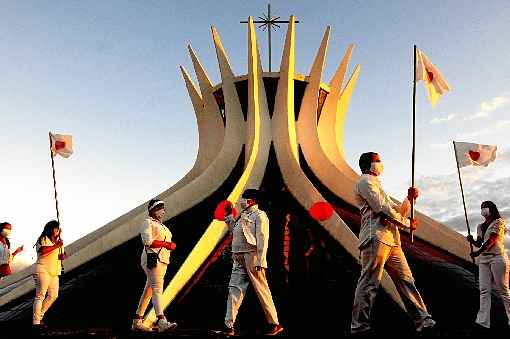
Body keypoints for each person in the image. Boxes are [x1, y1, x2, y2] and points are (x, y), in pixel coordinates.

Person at [350, 152, 436, 335]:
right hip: (376, 237)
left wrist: (409, 200)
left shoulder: (376, 184)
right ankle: (359, 326)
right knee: (369, 283)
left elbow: (396, 211)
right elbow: (382, 209)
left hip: (391, 239)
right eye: (378, 160)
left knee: (406, 279)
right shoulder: (365, 181)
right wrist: (407, 225)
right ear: (369, 164)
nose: (381, 163)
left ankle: (423, 320)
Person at [221, 189, 284, 336]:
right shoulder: (241, 216)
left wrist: (262, 260)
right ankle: (228, 325)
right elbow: (234, 233)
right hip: (238, 256)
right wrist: (229, 216)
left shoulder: (260, 215)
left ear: (251, 201)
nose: (241, 200)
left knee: (261, 288)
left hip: (252, 255)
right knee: (234, 290)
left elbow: (262, 238)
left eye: (244, 198)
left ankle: (274, 323)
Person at [131, 199, 178, 332]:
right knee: (157, 288)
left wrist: (169, 245)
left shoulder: (164, 227)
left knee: (149, 290)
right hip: (152, 259)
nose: (163, 211)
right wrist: (167, 245)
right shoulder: (147, 222)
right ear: (153, 210)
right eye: (160, 208)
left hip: (163, 260)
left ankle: (137, 321)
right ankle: (161, 320)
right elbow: (147, 241)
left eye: (163, 208)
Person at [467, 201, 510, 329]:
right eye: (481, 208)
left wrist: (477, 252)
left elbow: (492, 240)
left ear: (491, 209)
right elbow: (480, 243)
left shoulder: (499, 222)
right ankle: (483, 321)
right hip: (484, 260)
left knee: (503, 290)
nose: (483, 209)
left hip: (497, 258)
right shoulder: (480, 226)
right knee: (484, 290)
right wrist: (472, 241)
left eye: (485, 207)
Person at [32, 220, 64, 327]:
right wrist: (57, 246)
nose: (57, 231)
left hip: (54, 271)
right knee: (40, 295)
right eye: (55, 228)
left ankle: (40, 315)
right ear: (50, 229)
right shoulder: (42, 239)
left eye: (58, 229)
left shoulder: (58, 242)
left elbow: (62, 256)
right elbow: (43, 251)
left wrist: (61, 251)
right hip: (43, 270)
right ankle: (36, 322)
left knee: (53, 295)